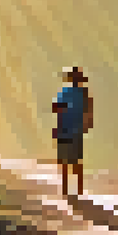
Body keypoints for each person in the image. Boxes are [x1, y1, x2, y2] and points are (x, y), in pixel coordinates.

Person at [51, 66, 92, 196]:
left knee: (67, 161)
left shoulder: (66, 91)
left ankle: (68, 189)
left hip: (67, 129)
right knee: (74, 161)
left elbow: (57, 108)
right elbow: (88, 112)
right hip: (72, 130)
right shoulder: (82, 93)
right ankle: (76, 189)